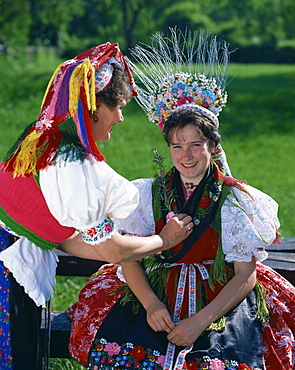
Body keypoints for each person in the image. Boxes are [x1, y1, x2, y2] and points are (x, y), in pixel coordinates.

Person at [66, 29, 295, 370]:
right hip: (156, 293)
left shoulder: (235, 200)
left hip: (218, 300)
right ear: (168, 147)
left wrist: (199, 322)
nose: (186, 156)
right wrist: (152, 305)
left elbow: (246, 274)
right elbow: (129, 256)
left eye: (195, 145)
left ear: (213, 147)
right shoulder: (147, 193)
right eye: (177, 146)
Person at [0, 42, 193, 369]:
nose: (120, 117)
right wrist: (166, 239)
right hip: (9, 276)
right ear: (92, 106)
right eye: (116, 106)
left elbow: (67, 237)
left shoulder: (45, 138)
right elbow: (113, 251)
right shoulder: (73, 163)